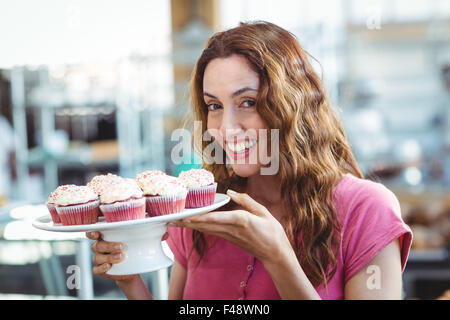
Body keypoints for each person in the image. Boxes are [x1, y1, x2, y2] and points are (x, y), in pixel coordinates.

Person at [87, 21, 412, 300]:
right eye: (214, 106)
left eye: (248, 102)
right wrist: (129, 280)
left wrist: (277, 256)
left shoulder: (367, 211)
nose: (225, 128)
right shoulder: (201, 209)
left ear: (294, 106)